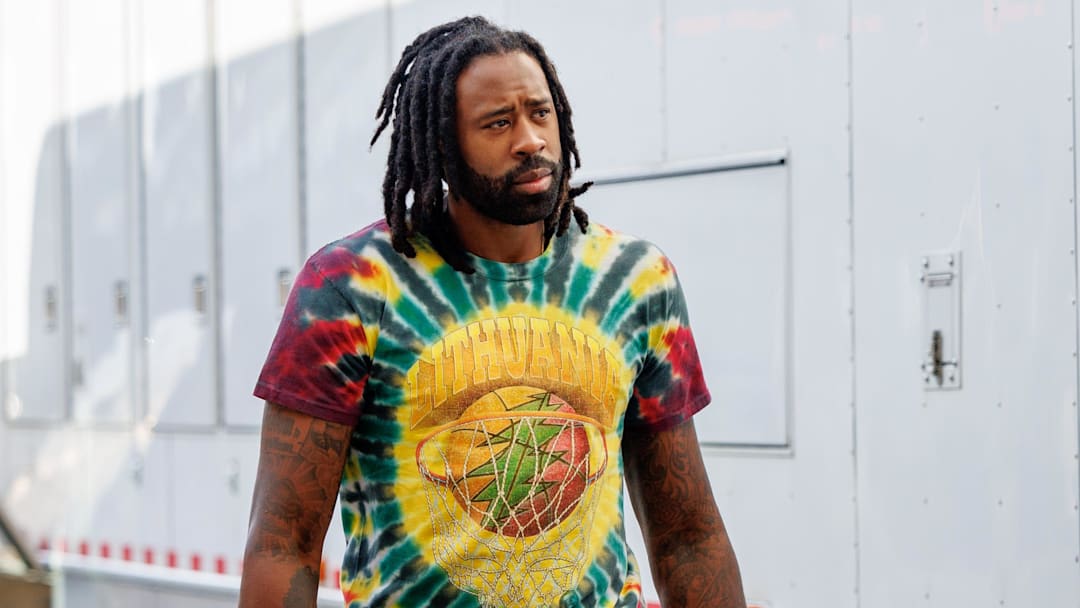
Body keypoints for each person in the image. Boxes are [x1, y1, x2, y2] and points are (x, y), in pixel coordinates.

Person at [239, 15, 745, 608]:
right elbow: (283, 544)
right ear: (442, 146)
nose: (529, 140)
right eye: (497, 123)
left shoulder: (635, 281)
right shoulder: (351, 287)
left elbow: (687, 534)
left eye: (539, 113)